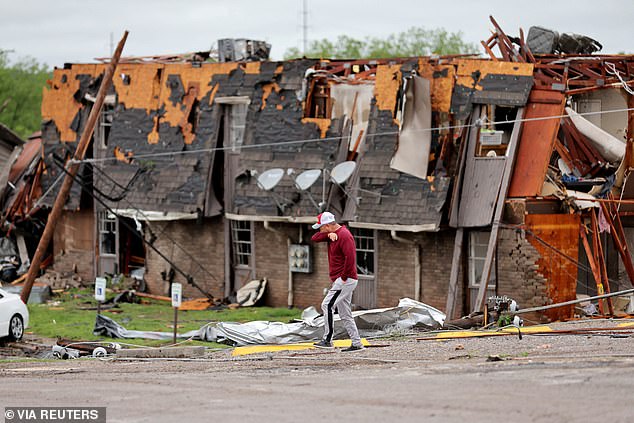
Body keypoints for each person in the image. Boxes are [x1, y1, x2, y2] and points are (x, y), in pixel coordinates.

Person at [311, 211, 364, 352]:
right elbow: (314, 237)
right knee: (345, 313)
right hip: (342, 279)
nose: (320, 230)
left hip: (345, 279)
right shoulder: (332, 235)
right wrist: (327, 235)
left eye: (321, 227)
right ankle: (357, 343)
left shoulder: (344, 236)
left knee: (327, 305)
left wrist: (344, 277)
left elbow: (351, 258)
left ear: (327, 225)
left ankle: (327, 340)